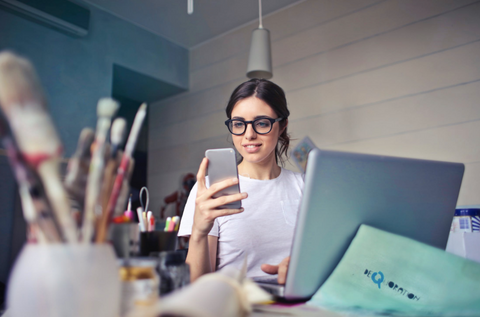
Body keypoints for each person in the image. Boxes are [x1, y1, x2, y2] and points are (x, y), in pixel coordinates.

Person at [178, 78, 304, 283]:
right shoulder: (211, 190)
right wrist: (199, 232)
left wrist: (301, 268)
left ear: (282, 126)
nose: (249, 135)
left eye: (262, 123)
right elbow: (197, 286)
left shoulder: (305, 187)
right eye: (239, 124)